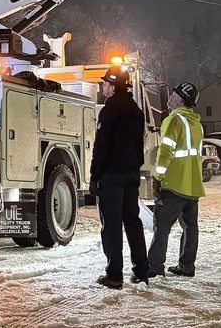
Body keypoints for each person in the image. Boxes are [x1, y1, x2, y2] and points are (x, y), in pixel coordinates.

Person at [89, 65, 150, 288]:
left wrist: (94, 176)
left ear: (113, 87)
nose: (102, 86)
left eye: (105, 83)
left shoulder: (109, 111)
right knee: (132, 222)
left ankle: (114, 275)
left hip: (112, 176)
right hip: (131, 175)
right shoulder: (136, 112)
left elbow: (102, 147)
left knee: (112, 226)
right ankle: (141, 270)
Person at [147, 81, 205, 278]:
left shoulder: (173, 120)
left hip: (174, 183)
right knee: (190, 227)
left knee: (162, 226)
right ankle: (187, 266)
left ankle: (155, 268)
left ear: (180, 100)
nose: (170, 97)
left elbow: (165, 152)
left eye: (173, 95)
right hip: (193, 184)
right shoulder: (196, 123)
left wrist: (157, 176)